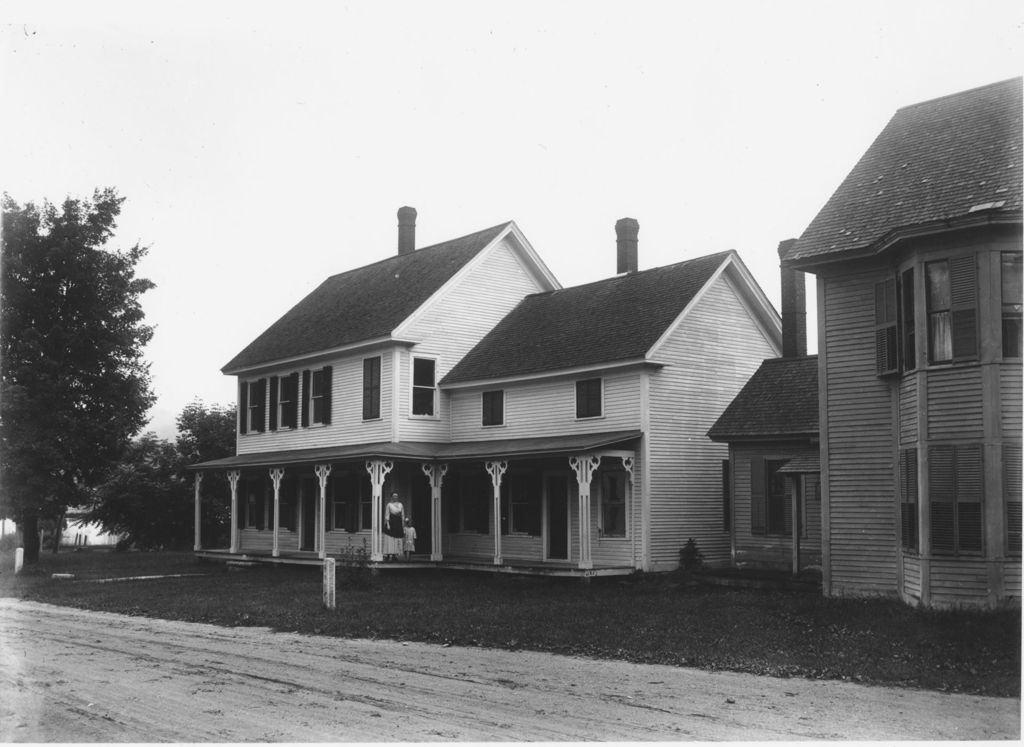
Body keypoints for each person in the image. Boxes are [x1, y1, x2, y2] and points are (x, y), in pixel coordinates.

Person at [383, 493, 405, 561]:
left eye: (396, 496)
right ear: (391, 497)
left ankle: (395, 555)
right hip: (391, 522)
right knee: (390, 539)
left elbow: (403, 515)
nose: (395, 497)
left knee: (396, 539)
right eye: (394, 496)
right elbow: (387, 515)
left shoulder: (401, 504)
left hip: (398, 523)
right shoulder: (389, 505)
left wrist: (402, 524)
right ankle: (388, 554)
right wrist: (388, 524)